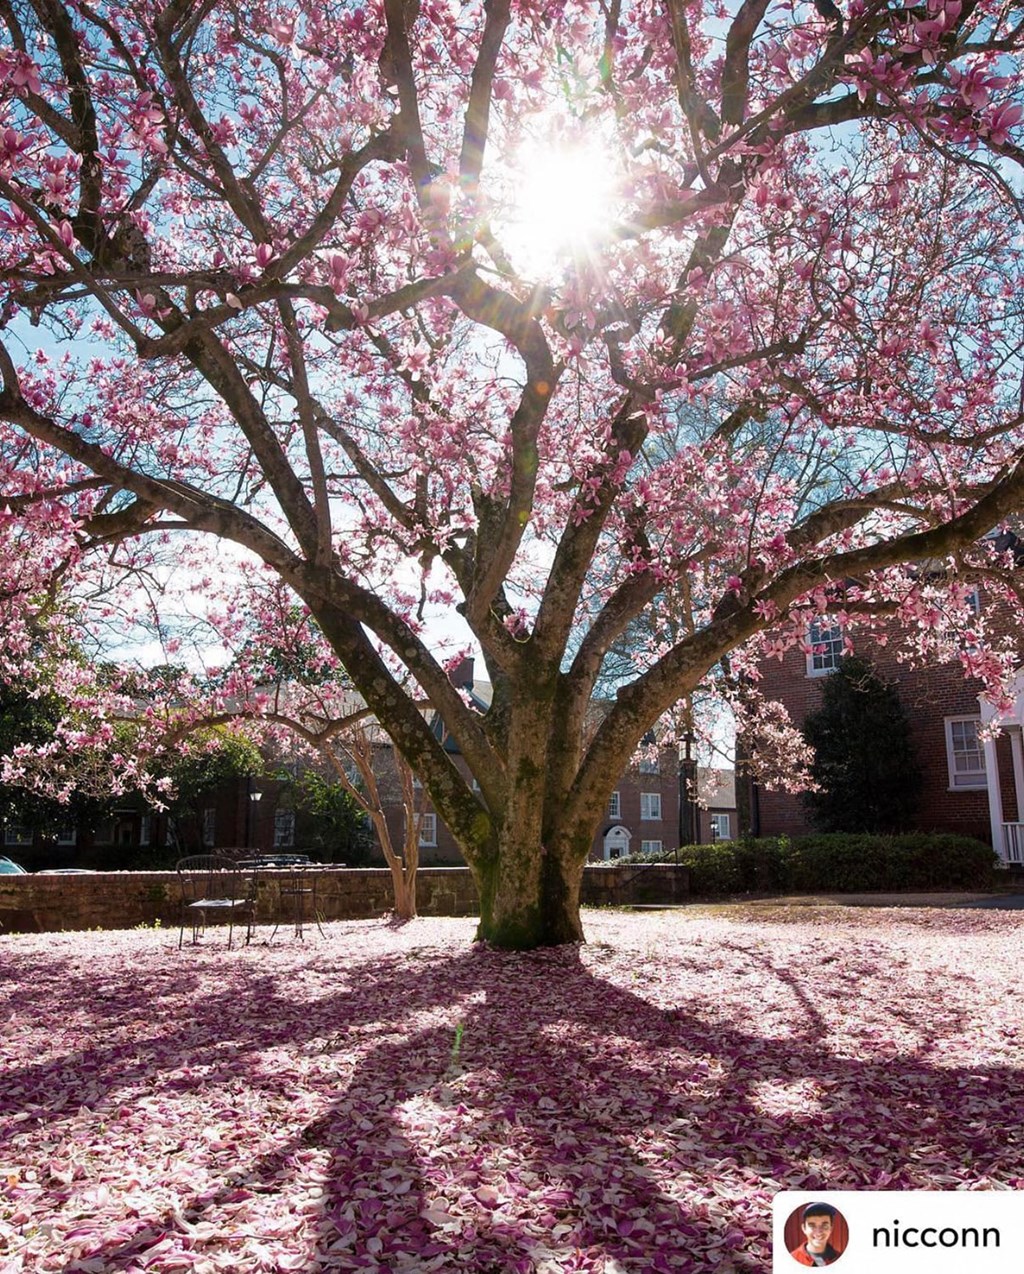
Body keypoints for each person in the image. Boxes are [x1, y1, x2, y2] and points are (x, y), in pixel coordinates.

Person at [789, 1202, 844, 1266]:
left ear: (831, 1229)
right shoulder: (792, 1259)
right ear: (804, 1228)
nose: (818, 1232)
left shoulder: (841, 1259)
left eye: (824, 1225)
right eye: (812, 1225)